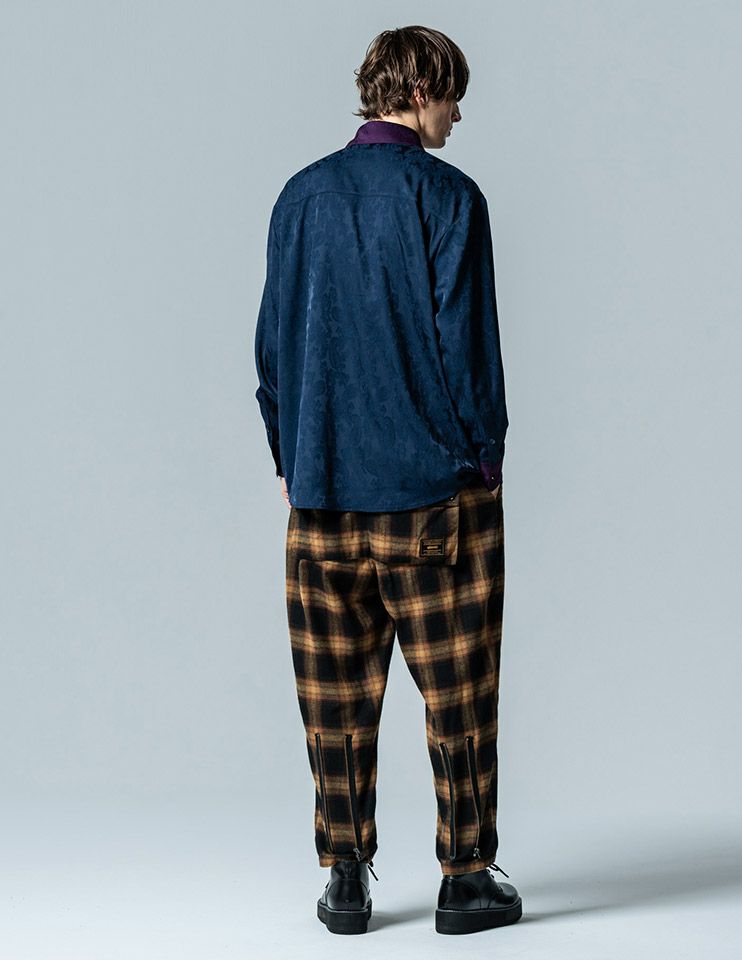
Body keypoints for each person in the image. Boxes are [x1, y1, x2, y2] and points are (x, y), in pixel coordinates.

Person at [254, 25, 519, 935]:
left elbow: (272, 348)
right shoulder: (449, 196)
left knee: (332, 703)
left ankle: (345, 880)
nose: (458, 114)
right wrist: (483, 460)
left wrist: (290, 458)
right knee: (460, 698)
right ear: (419, 91)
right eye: (452, 95)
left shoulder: (299, 196)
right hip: (433, 499)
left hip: (321, 499)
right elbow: (468, 349)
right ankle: (466, 880)